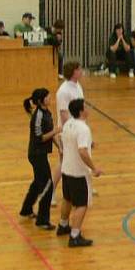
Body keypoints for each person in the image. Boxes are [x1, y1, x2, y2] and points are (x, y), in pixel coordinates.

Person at [58, 99, 101, 247]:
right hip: (79, 172)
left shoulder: (68, 124)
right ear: (81, 111)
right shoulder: (83, 128)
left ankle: (63, 225)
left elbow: (65, 141)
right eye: (86, 107)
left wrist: (90, 143)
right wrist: (94, 168)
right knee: (82, 204)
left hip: (66, 168)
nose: (88, 108)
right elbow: (82, 151)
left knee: (67, 198)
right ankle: (75, 235)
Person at [19, 88, 61, 230]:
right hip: (36, 154)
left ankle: (26, 209)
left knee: (38, 182)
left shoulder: (47, 113)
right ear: (40, 101)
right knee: (47, 186)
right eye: (48, 97)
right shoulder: (38, 116)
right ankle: (43, 220)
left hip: (41, 153)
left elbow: (50, 133)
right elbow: (39, 138)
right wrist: (55, 131)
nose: (50, 98)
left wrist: (59, 146)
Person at [53, 61, 86, 205]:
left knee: (81, 159)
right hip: (67, 133)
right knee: (63, 163)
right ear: (73, 71)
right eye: (79, 69)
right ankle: (51, 192)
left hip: (78, 130)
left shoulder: (78, 86)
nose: (81, 71)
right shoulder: (63, 91)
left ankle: (85, 186)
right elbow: (64, 115)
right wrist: (72, 135)